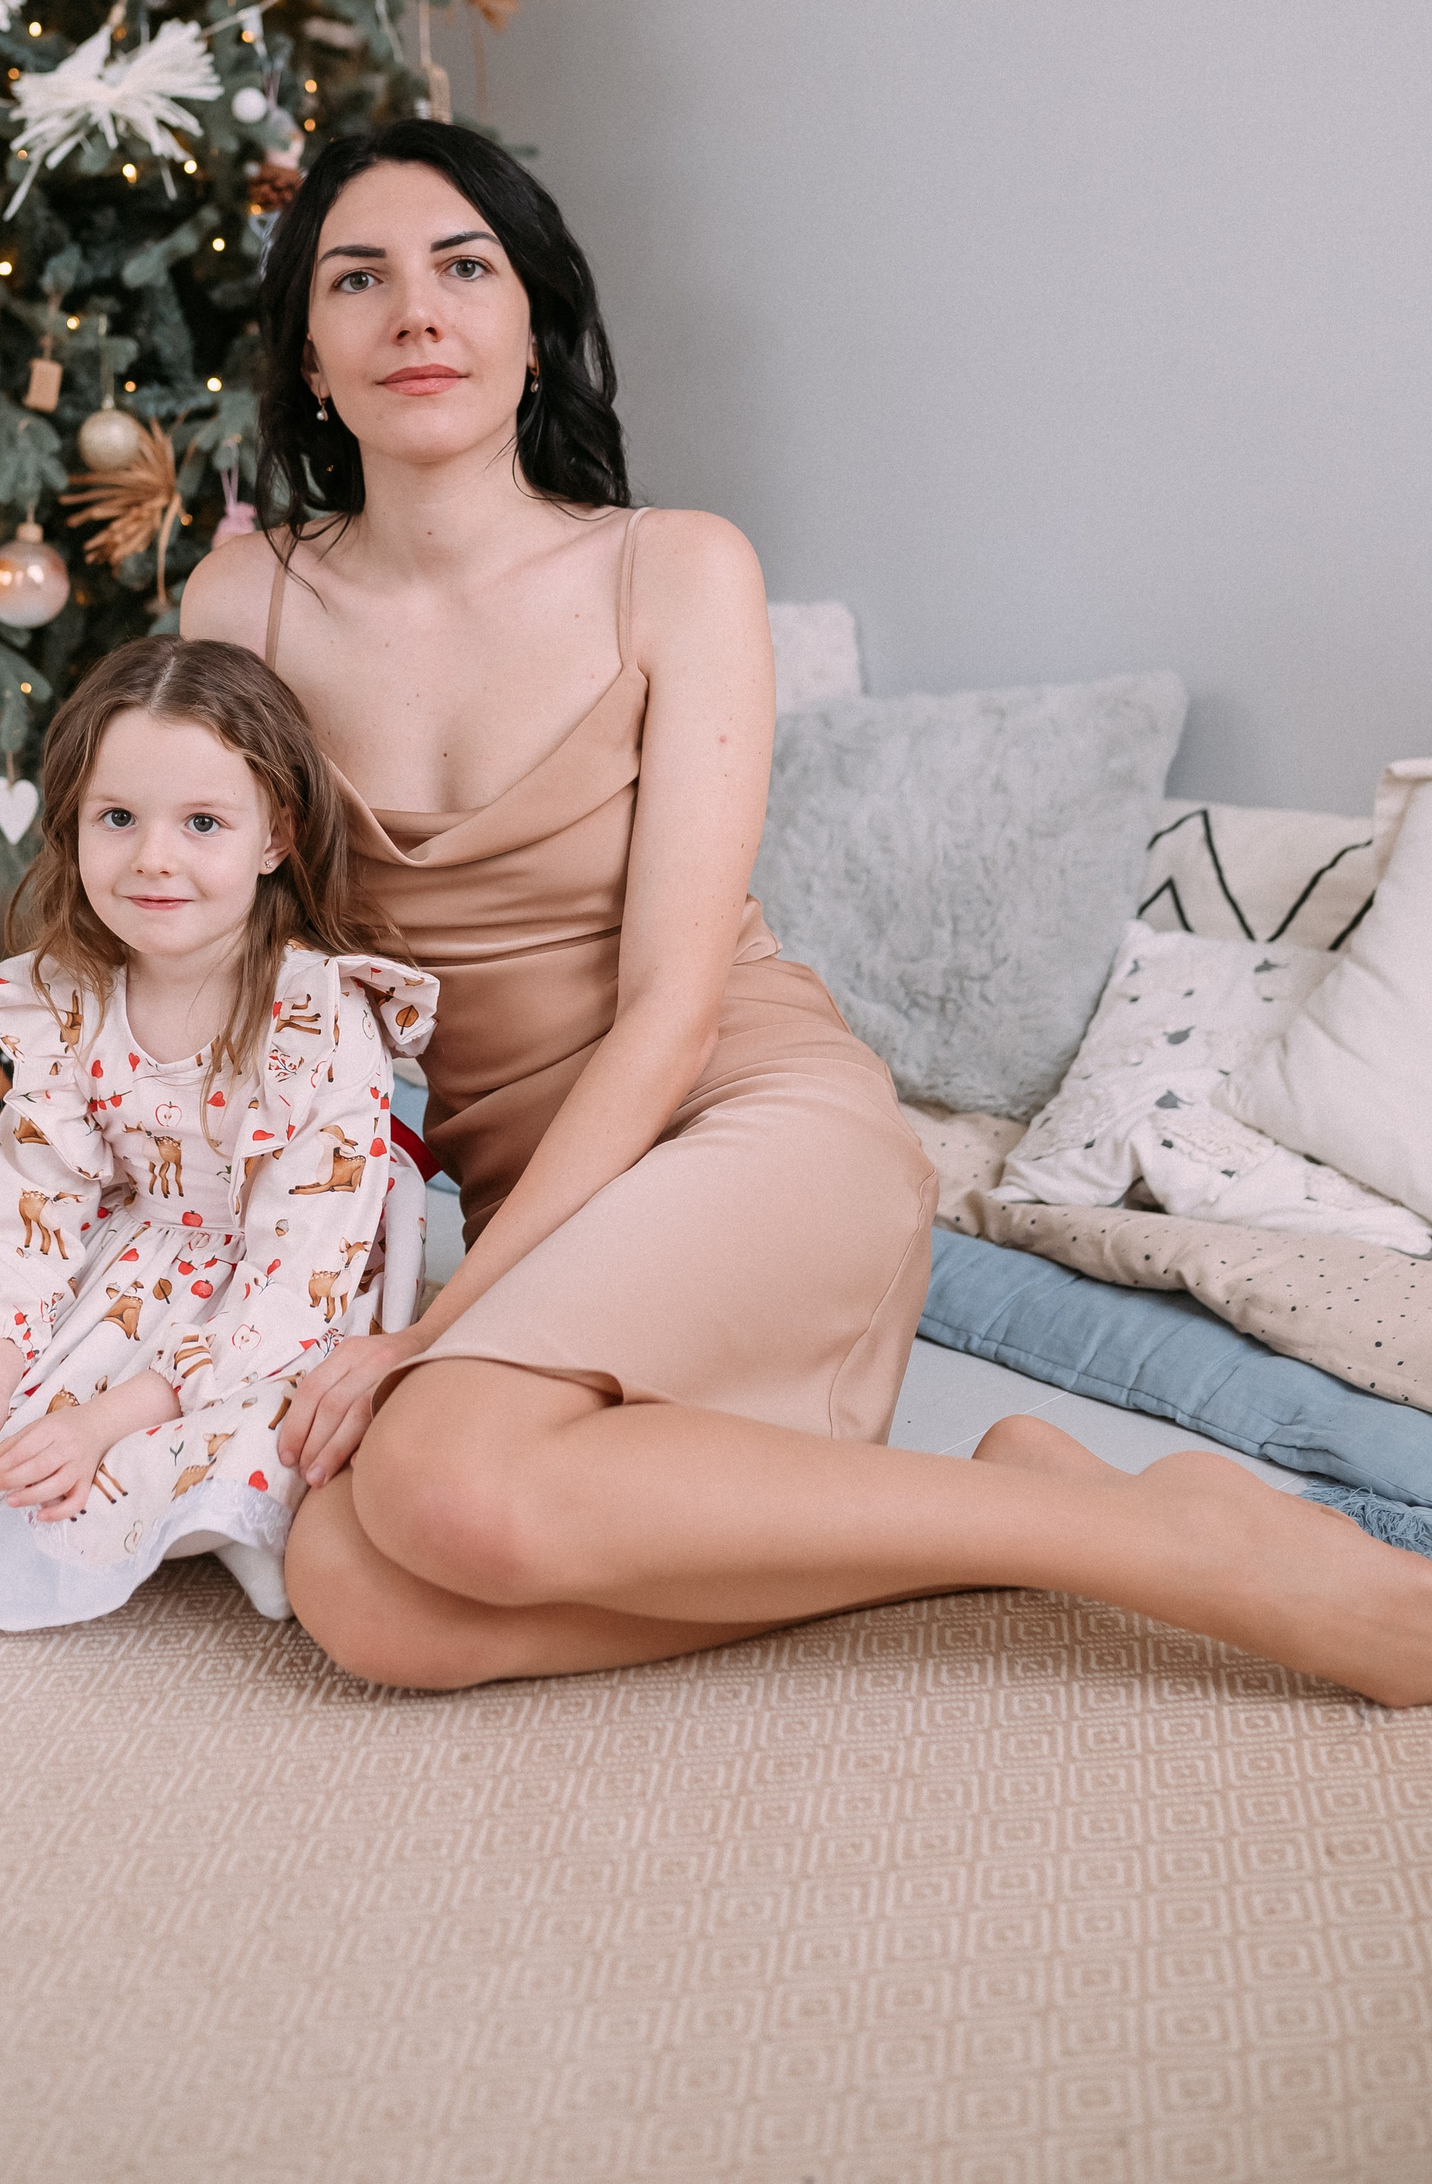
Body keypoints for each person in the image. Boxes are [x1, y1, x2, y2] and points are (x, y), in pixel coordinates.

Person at [181, 122, 1432, 1706]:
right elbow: (246, 990)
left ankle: (1184, 1549)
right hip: (548, 1205)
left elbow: (670, 1016)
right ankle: (1012, 1516)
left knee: (441, 1483)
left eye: (465, 268)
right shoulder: (245, 604)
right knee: (359, 1594)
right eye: (359, 278)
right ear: (308, 353)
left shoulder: (674, 569)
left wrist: (436, 1335)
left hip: (750, 1127)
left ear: (534, 327)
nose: (416, 312)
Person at [0, 639, 435, 1627]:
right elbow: (35, 1202)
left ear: (275, 836)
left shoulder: (317, 1018)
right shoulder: (67, 995)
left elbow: (297, 1279)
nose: (154, 858)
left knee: (280, 1408)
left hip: (259, 1291)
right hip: (112, 1253)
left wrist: (99, 1422)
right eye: (117, 818)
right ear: (73, 823)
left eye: (202, 822)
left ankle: (215, 1516)